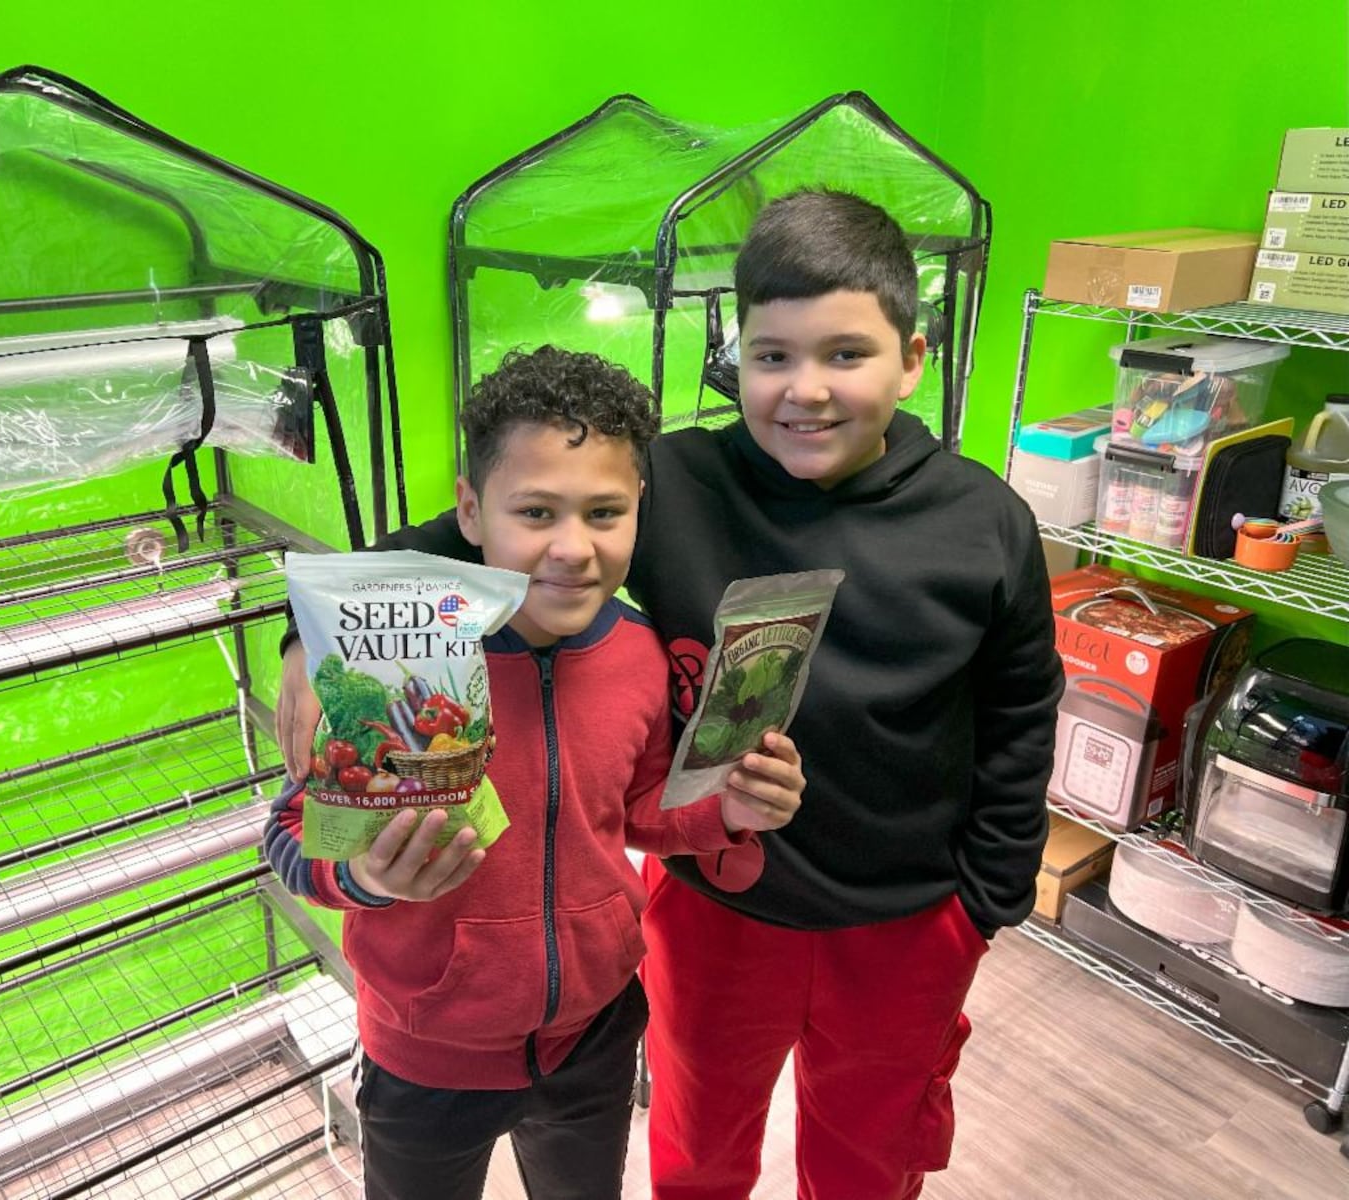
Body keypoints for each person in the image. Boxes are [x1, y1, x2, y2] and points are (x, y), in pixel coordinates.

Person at [278, 188, 1063, 1199]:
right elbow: (492, 517)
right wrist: (316, 623)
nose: (805, 390)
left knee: (871, 1157)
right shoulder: (670, 481)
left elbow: (1019, 712)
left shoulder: (985, 523)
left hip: (907, 917)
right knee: (697, 1149)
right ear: (736, 356)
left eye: (846, 354)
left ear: (913, 359)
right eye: (772, 356)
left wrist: (984, 901)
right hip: (715, 909)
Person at [264, 345, 806, 1200]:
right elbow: (290, 836)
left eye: (603, 512)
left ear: (639, 511)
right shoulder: (405, 664)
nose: (573, 548)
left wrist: (727, 808)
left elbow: (642, 809)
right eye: (536, 512)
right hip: (427, 1053)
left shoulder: (639, 654)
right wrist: (365, 875)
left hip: (595, 1037)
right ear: (472, 512)